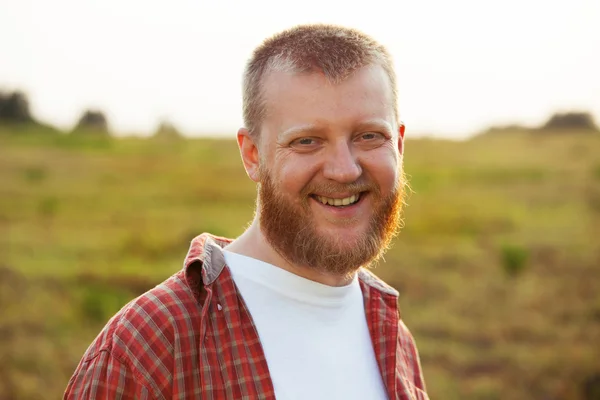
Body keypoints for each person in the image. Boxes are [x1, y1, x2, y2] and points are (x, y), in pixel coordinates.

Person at [64, 24, 428, 400]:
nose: (345, 169)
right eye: (307, 141)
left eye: (369, 136)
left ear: (398, 145)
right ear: (252, 155)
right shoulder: (150, 348)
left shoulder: (390, 334)